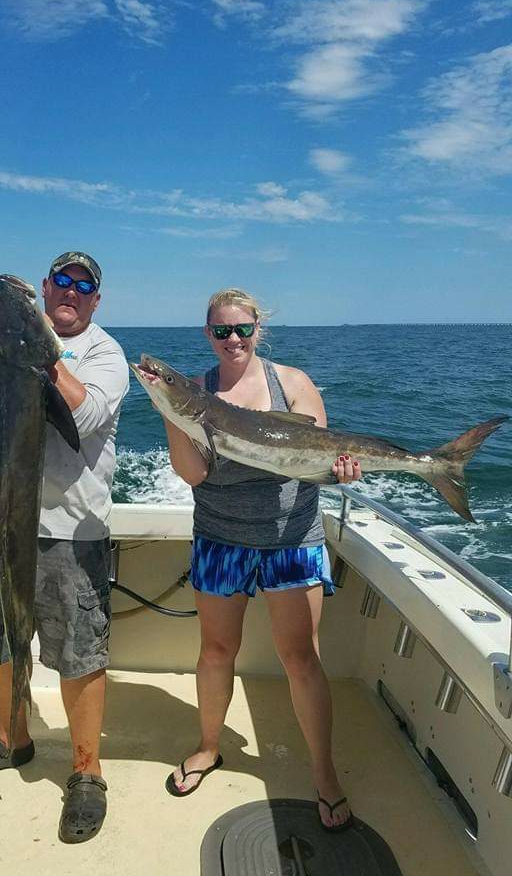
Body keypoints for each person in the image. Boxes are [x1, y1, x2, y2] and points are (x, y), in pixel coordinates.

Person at [140, 287, 360, 832]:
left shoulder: (295, 384)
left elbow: (321, 457)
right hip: (220, 538)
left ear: (258, 329)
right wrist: (173, 407)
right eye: (221, 331)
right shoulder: (196, 393)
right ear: (207, 335)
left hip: (291, 539)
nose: (232, 339)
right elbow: (193, 475)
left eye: (241, 329)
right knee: (216, 651)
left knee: (300, 659)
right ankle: (209, 747)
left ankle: (325, 774)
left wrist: (341, 469)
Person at [0, 251, 129, 845]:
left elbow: (87, 412)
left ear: (95, 300)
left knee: (78, 652)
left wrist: (39, 356)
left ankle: (85, 772)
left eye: (84, 286)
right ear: (44, 288)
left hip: (72, 533)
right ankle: (11, 737)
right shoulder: (0, 339)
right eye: (62, 282)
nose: (71, 292)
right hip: (0, 521)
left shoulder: (105, 353)